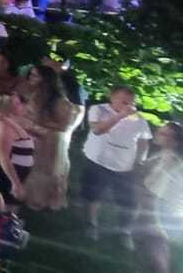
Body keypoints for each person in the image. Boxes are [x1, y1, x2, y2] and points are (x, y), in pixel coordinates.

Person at [82, 84, 152, 244]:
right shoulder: (98, 110)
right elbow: (98, 130)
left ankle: (125, 232)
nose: (129, 106)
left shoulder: (139, 120)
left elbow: (144, 140)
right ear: (112, 98)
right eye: (124, 102)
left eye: (131, 103)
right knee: (92, 194)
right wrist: (120, 116)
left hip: (124, 165)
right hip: (98, 160)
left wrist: (139, 160)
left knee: (129, 201)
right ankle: (92, 224)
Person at [17, 61, 78, 211]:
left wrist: (39, 125)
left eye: (35, 76)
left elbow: (65, 125)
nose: (31, 78)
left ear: (45, 80)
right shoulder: (30, 94)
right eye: (31, 74)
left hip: (52, 141)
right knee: (32, 168)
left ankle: (44, 200)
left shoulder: (61, 101)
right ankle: (29, 197)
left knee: (47, 170)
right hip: (32, 136)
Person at [135, 122, 183, 273]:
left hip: (160, 212)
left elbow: (155, 190)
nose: (156, 134)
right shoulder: (166, 155)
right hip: (166, 211)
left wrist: (152, 219)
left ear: (174, 142)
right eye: (159, 131)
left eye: (163, 134)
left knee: (156, 247)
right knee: (154, 247)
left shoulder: (169, 161)